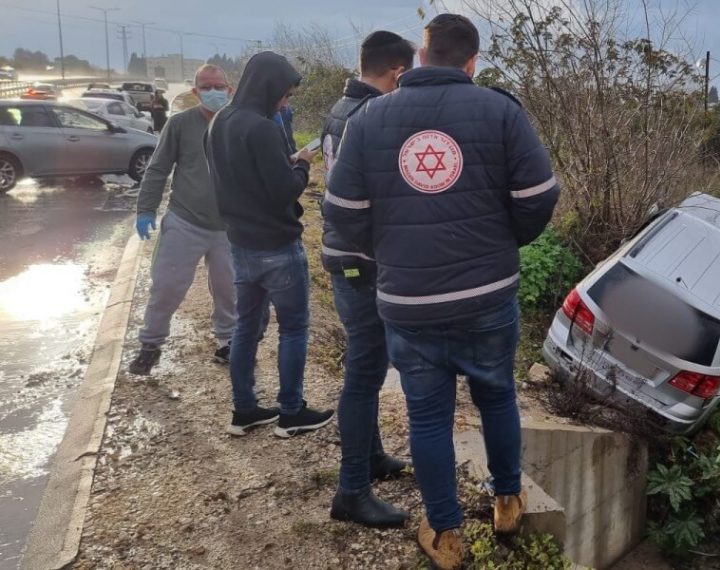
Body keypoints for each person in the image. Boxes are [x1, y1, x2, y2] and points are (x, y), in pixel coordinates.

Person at [326, 14, 559, 569]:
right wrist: (503, 240)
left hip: (408, 302)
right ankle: (507, 501)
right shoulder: (501, 111)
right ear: (472, 61)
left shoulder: (369, 118)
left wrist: (391, 252)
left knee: (427, 417)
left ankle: (448, 537)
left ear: (422, 57)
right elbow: (540, 196)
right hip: (488, 295)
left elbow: (340, 213)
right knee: (497, 396)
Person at [205, 51, 334, 438]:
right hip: (277, 246)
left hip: (240, 243)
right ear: (268, 87)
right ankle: (291, 412)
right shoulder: (261, 127)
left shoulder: (220, 123)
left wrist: (285, 161)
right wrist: (303, 163)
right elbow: (284, 190)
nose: (285, 102)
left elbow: (241, 176)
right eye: (285, 94)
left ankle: (244, 410)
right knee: (294, 328)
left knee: (245, 328)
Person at [321, 30, 415, 530]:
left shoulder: (341, 108)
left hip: (346, 259)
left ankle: (372, 458)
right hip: (359, 264)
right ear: (397, 71)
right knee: (363, 373)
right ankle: (351, 490)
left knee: (370, 367)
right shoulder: (370, 119)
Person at [128, 65, 235, 376]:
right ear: (195, 91)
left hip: (230, 227)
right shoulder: (179, 124)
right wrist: (146, 208)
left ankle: (228, 342)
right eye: (206, 86)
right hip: (185, 220)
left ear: (230, 90)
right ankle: (150, 344)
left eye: (219, 86)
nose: (213, 91)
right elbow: (158, 168)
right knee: (166, 285)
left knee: (231, 290)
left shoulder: (238, 124)